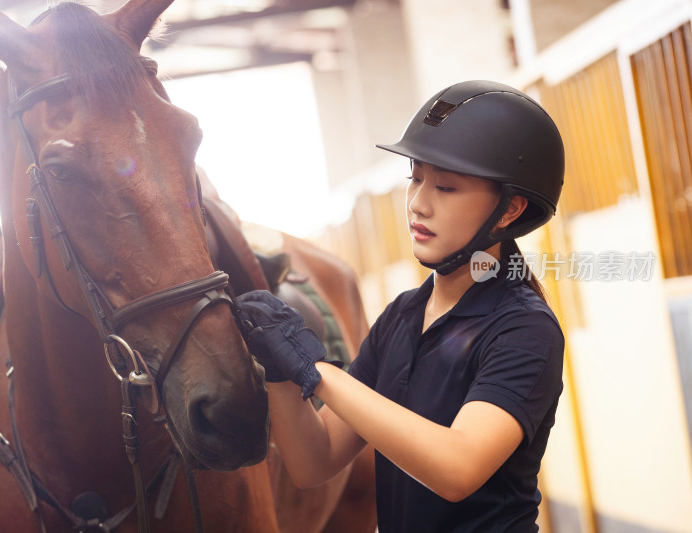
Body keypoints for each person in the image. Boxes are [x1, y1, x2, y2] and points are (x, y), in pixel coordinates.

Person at [234, 80, 565, 532]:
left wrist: (316, 369)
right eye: (415, 178)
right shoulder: (401, 317)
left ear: (509, 210)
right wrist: (279, 373)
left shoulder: (524, 329)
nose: (417, 204)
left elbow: (457, 469)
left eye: (445, 187)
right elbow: (315, 462)